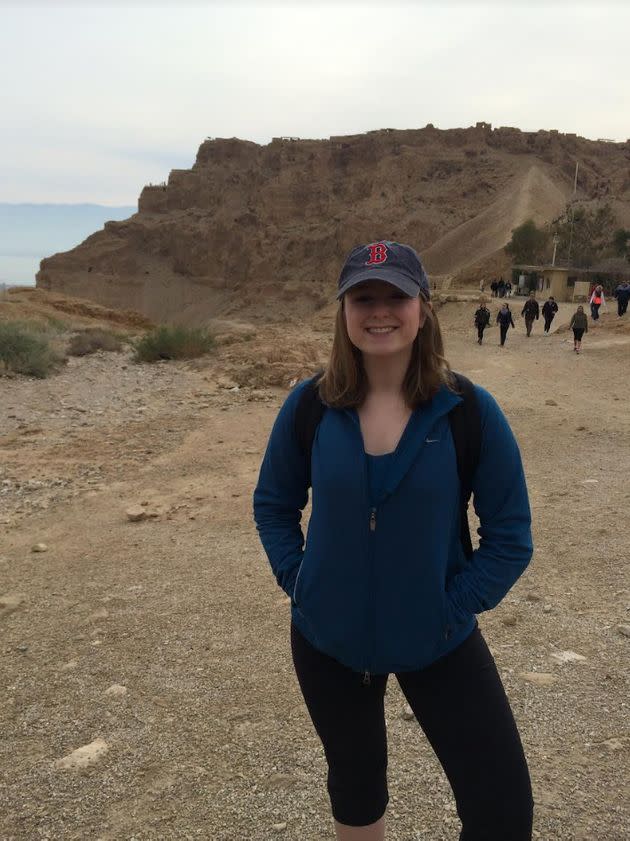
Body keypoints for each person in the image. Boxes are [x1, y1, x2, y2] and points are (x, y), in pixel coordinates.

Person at [254, 241, 534, 841]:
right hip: (328, 642)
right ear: (344, 312)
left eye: (395, 296)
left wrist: (448, 609)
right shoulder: (309, 406)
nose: (379, 311)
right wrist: (300, 581)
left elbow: (510, 538)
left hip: (438, 639)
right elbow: (274, 506)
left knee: (502, 807)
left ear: (423, 308)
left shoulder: (469, 412)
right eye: (363, 297)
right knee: (356, 788)